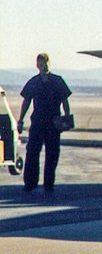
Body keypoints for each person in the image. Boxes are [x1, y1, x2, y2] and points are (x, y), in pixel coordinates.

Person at [17, 53, 73, 194]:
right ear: (37, 65)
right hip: (37, 121)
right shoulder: (34, 82)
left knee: (52, 153)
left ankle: (49, 184)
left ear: (49, 64)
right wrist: (21, 119)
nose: (43, 66)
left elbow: (65, 100)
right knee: (32, 152)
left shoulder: (57, 81)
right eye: (41, 64)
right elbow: (26, 101)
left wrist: (66, 118)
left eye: (45, 63)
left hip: (53, 123)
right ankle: (30, 183)